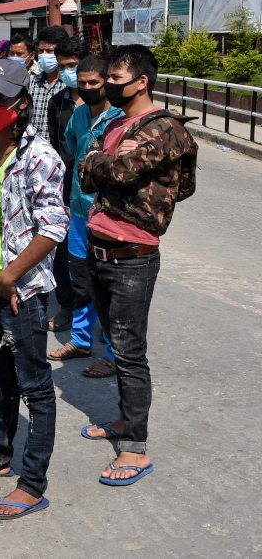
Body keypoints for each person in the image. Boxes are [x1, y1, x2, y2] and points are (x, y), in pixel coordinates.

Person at [77, 45, 197, 485]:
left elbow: (122, 171)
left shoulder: (163, 128)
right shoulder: (118, 126)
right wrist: (102, 163)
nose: (109, 84)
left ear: (142, 81)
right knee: (115, 342)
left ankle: (134, 450)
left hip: (133, 257)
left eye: (116, 78)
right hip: (99, 249)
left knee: (129, 354)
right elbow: (86, 173)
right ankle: (126, 420)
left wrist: (103, 164)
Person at [0, 59, 68, 520]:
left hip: (20, 290)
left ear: (21, 103)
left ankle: (32, 483)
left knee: (35, 387)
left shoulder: (40, 156)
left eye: (1, 99)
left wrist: (10, 275)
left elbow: (54, 225)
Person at [46, 53, 123, 376]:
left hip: (109, 213)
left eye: (95, 82)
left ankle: (112, 350)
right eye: (83, 83)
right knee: (81, 278)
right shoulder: (78, 117)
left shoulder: (120, 119)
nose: (89, 88)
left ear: (107, 82)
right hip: (79, 210)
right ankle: (80, 340)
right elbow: (73, 148)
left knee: (108, 282)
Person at [44, 37, 90, 332]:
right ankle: (67, 306)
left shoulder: (106, 102)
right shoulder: (57, 102)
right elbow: (54, 143)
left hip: (94, 189)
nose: (67, 72)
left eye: (73, 66)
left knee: (91, 255)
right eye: (63, 67)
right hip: (64, 188)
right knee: (61, 250)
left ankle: (96, 313)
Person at [29, 26, 70, 140]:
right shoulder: (31, 82)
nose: (44, 55)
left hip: (59, 152)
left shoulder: (69, 85)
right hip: (33, 151)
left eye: (49, 51)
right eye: (41, 51)